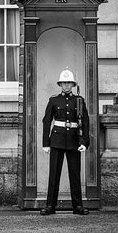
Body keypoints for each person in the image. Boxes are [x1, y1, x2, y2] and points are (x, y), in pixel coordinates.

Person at [40, 69, 90, 216]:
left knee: (75, 174)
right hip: (56, 140)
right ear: (60, 84)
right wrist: (45, 143)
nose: (66, 85)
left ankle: (77, 206)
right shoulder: (54, 100)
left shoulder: (79, 101)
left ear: (73, 84)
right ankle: (50, 205)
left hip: (74, 140)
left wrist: (84, 142)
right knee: (54, 174)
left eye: (69, 83)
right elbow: (46, 121)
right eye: (64, 83)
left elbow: (85, 123)